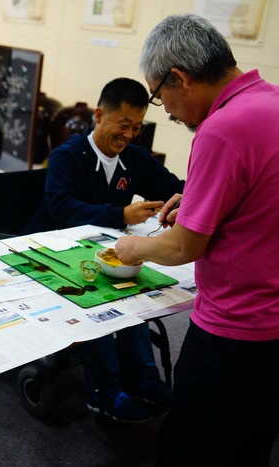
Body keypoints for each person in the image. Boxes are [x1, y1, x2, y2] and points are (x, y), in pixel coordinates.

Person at [114, 14, 279, 467]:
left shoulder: (222, 128)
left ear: (180, 79)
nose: (165, 111)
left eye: (158, 96)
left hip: (236, 333)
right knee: (251, 445)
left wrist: (133, 247)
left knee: (192, 447)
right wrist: (201, 199)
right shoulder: (271, 102)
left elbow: (182, 248)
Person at [28, 77, 184, 423]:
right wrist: (119, 214)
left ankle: (145, 380)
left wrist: (184, 199)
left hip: (104, 253)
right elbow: (60, 207)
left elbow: (173, 186)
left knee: (134, 301)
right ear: (99, 115)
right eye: (124, 125)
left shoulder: (134, 158)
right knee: (99, 304)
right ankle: (106, 392)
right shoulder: (67, 156)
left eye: (137, 128)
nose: (129, 135)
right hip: (54, 249)